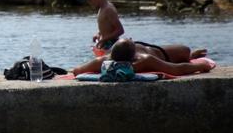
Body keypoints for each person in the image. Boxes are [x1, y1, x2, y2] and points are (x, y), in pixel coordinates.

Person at [78, 0, 206, 63]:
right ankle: (186, 56)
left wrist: (104, 39)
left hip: (113, 45)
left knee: (150, 55)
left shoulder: (108, 9)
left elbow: (119, 30)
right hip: (106, 44)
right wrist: (99, 34)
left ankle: (189, 57)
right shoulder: (101, 8)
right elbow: (106, 27)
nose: (88, 1)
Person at [71, 38, 211, 76]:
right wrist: (200, 65)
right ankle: (192, 55)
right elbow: (176, 69)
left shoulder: (102, 61)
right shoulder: (145, 59)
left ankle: (192, 55)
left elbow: (76, 71)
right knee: (185, 51)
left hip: (143, 50)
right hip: (157, 53)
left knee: (184, 51)